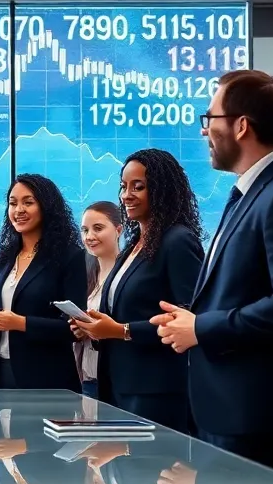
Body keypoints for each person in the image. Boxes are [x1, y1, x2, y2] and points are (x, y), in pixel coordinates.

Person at [152, 70, 273, 477]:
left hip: (253, 416)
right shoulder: (249, 192)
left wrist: (203, 327)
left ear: (240, 126)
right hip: (222, 411)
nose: (204, 132)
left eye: (210, 119)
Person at [74, 149, 203, 434]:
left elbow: (190, 319)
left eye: (138, 186)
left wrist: (122, 330)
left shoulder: (177, 241)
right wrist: (94, 326)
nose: (126, 195)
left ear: (162, 190)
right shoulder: (133, 245)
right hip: (117, 386)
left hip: (156, 392)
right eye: (123, 186)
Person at [0, 174, 85, 391]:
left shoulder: (69, 256)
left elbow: (74, 328)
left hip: (47, 378)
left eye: (28, 202)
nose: (19, 210)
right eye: (13, 203)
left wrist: (19, 323)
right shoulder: (3, 260)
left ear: (46, 206)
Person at [75, 201, 122, 399]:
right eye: (85, 230)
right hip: (88, 379)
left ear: (119, 230)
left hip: (116, 378)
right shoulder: (85, 273)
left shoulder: (127, 275)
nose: (89, 237)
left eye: (98, 228)